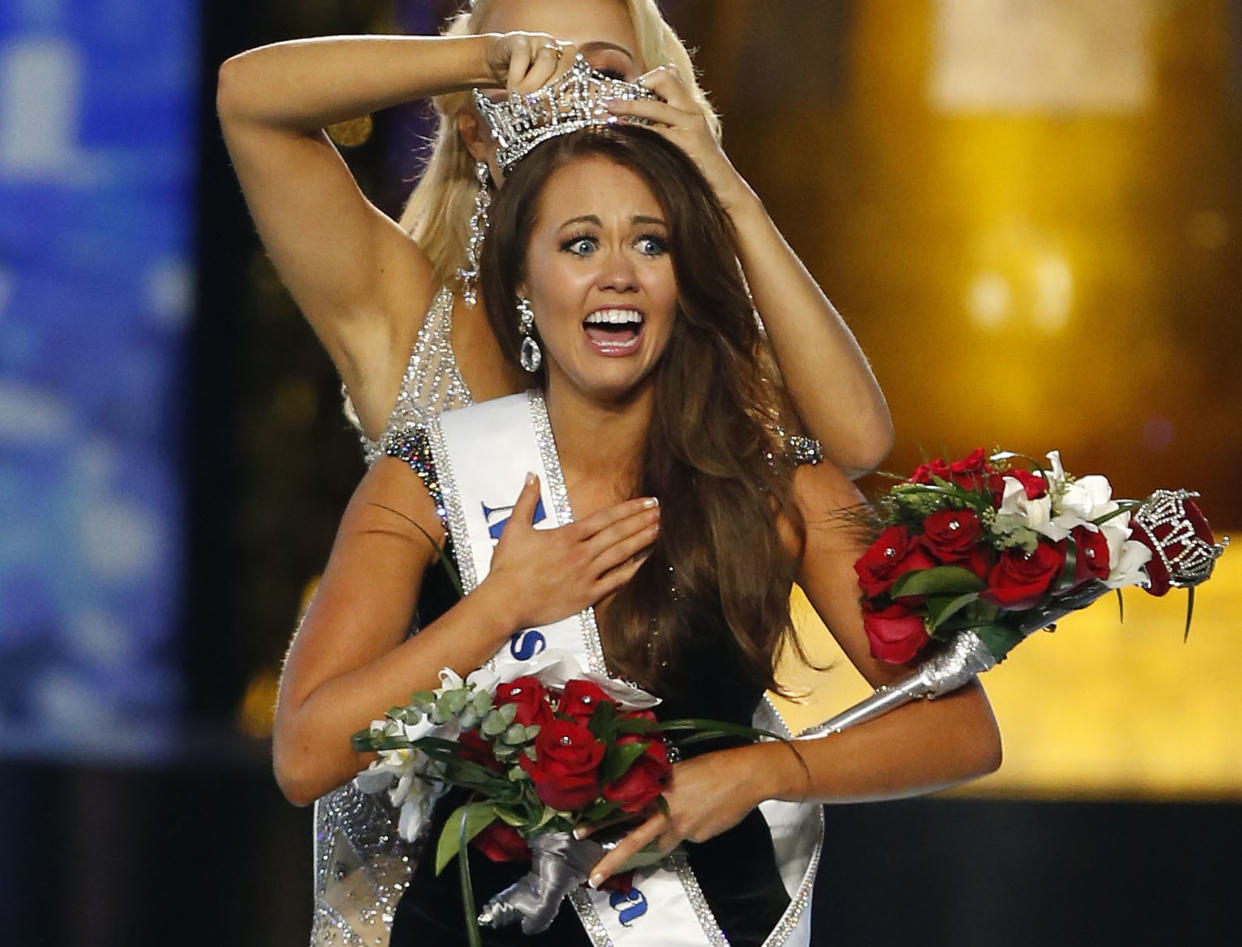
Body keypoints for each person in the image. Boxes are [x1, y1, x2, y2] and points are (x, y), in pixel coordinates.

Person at [272, 123, 1002, 947]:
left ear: (683, 280)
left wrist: (769, 769)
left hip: (712, 917)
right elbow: (305, 753)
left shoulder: (771, 484)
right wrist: (502, 604)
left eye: (650, 244)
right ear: (521, 278)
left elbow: (964, 727)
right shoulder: (426, 478)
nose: (617, 273)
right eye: (580, 243)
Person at [214, 0, 893, 473]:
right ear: (478, 135)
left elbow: (858, 443)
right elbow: (249, 99)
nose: (571, 106)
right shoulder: (407, 319)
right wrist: (483, 57)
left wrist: (727, 192)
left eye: (602, 74)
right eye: (530, 77)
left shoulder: (682, 328)